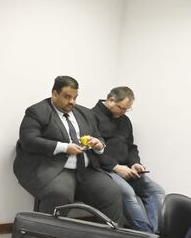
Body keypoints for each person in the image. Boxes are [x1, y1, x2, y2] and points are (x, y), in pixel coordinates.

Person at [13, 75, 124, 224]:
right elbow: (29, 141)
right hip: (53, 168)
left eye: (75, 97)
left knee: (112, 192)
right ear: (55, 94)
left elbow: (98, 137)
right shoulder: (37, 111)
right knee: (59, 194)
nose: (72, 101)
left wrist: (98, 145)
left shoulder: (86, 114)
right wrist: (64, 148)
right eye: (67, 97)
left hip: (86, 169)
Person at [91, 86, 165, 232]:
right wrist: (116, 167)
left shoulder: (124, 120)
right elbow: (92, 151)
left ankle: (156, 235)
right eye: (122, 108)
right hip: (104, 169)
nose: (124, 112)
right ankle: (146, 236)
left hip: (126, 168)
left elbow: (130, 147)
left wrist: (135, 163)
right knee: (127, 192)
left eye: (127, 109)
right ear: (110, 100)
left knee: (156, 191)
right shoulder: (91, 116)